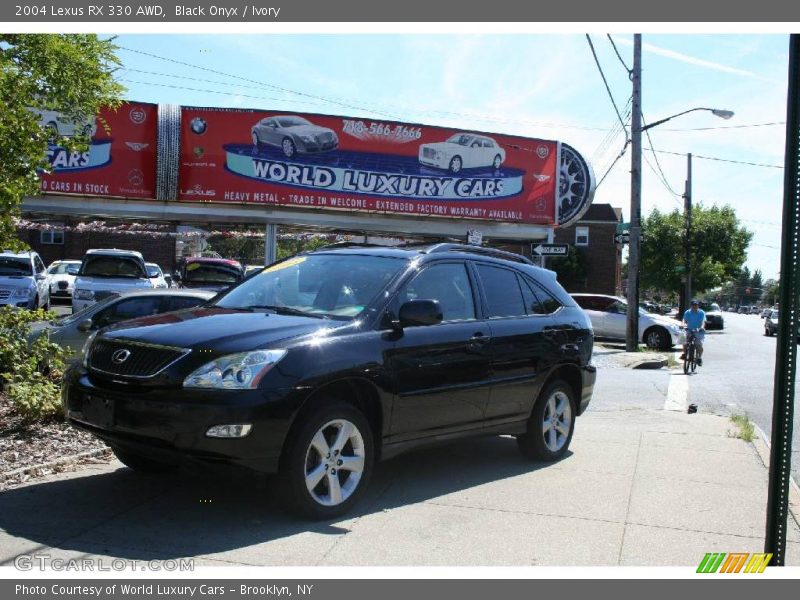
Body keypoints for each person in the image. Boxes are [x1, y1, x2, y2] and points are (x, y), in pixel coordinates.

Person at [680, 299, 706, 366]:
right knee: (682, 337)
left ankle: (699, 358)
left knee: (699, 344)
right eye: (693, 305)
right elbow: (684, 319)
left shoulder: (701, 312)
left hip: (698, 330)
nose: (695, 306)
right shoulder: (687, 312)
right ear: (691, 305)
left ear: (698, 305)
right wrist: (682, 324)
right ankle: (684, 353)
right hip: (689, 329)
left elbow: (703, 321)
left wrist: (702, 327)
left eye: (696, 305)